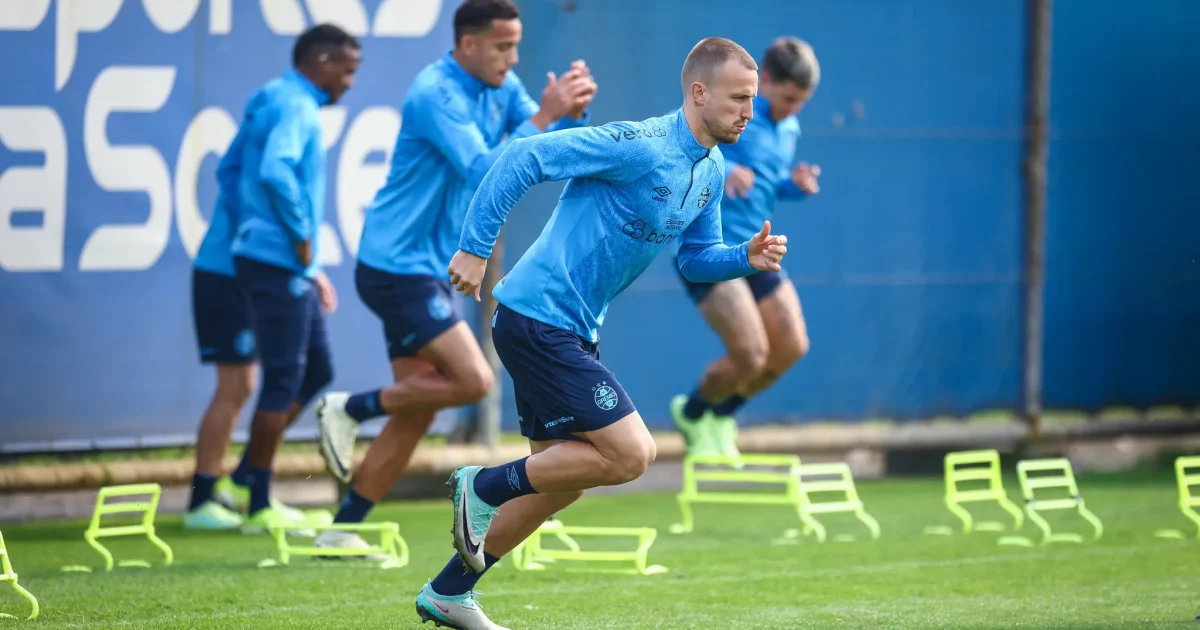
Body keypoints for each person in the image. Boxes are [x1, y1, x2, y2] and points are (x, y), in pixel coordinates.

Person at [413, 37, 788, 629]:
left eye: (752, 99)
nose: (749, 110)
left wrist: (744, 255)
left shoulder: (711, 169)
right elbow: (522, 158)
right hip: (538, 318)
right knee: (633, 453)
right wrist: (474, 248)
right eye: (739, 98)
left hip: (571, 329)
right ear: (698, 92)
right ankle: (482, 486)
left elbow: (695, 259)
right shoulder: (641, 143)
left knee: (560, 483)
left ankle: (449, 591)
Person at [310, 0, 596, 555]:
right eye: (502, 47)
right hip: (398, 263)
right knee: (473, 379)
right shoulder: (434, 92)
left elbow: (535, 142)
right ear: (468, 44)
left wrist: (573, 111)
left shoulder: (503, 84)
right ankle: (350, 408)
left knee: (416, 408)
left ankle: (341, 526)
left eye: (516, 46)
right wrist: (544, 115)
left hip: (432, 266)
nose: (512, 58)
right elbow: (482, 167)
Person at [227, 23, 361, 533]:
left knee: (316, 369)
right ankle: (259, 501)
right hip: (277, 256)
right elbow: (275, 171)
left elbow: (233, 169)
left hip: (284, 258)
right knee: (284, 376)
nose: (349, 83)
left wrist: (310, 263)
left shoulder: (275, 95)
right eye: (346, 72)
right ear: (322, 62)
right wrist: (301, 238)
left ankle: (246, 471)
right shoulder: (296, 105)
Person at [670, 37, 822, 461]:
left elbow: (765, 185)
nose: (794, 108)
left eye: (802, 101)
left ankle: (720, 416)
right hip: (714, 249)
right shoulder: (733, 111)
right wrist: (731, 167)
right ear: (766, 81)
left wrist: (796, 186)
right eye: (789, 97)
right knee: (751, 356)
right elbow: (690, 145)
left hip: (759, 249)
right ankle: (693, 414)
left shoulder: (788, 127)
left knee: (791, 348)